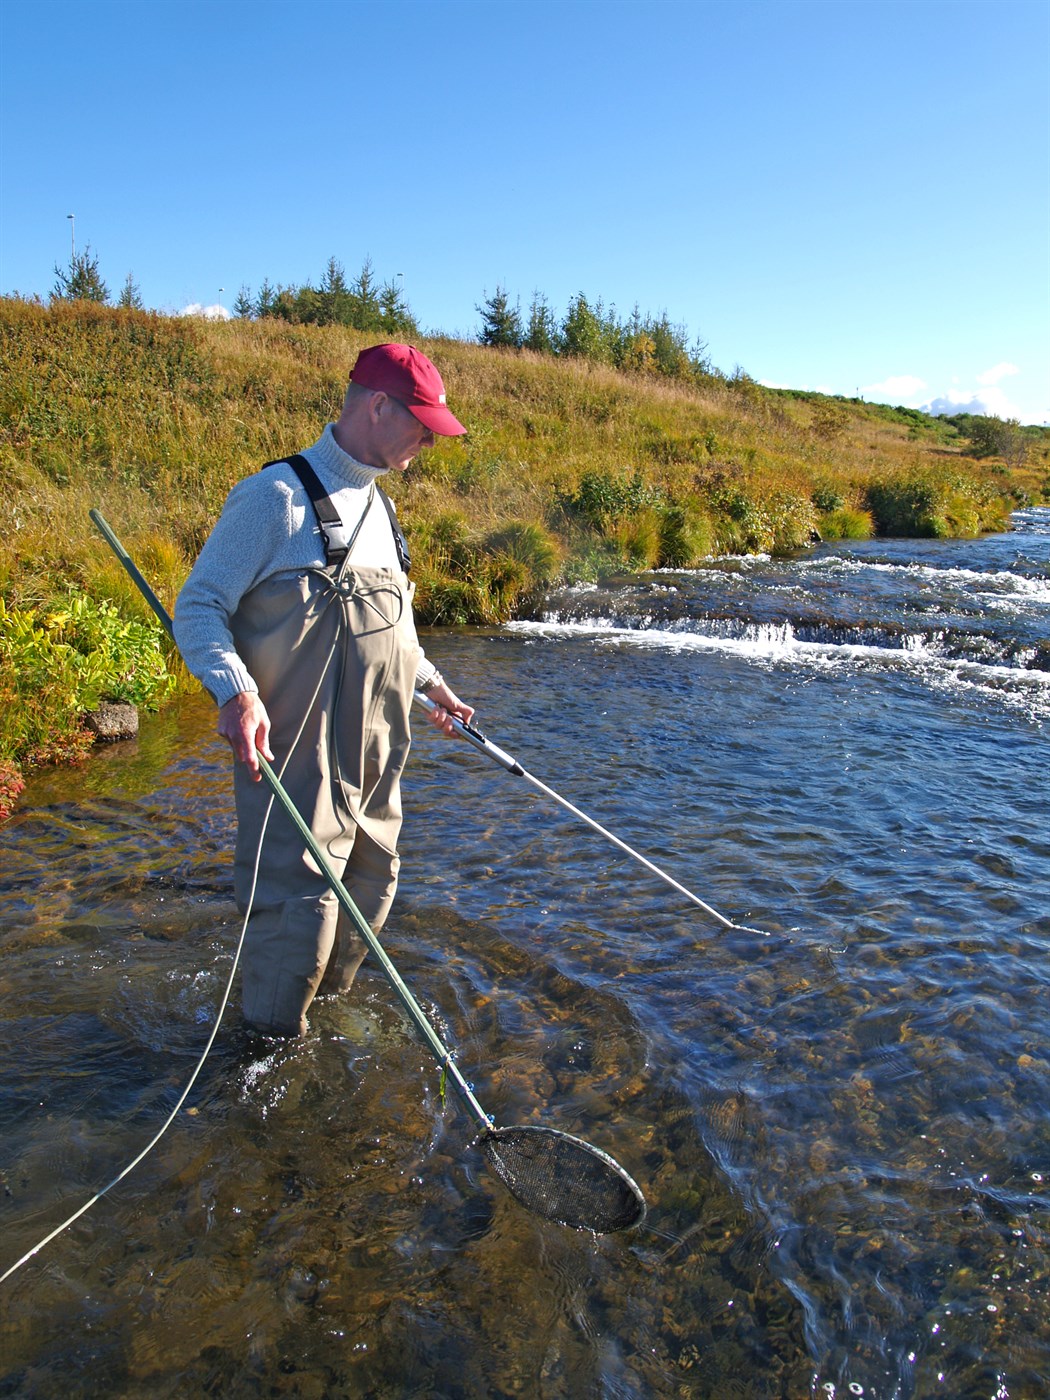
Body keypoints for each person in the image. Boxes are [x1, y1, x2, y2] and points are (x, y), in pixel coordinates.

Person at [173, 343, 475, 1037]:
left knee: (372, 891)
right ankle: (262, 1060)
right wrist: (234, 691)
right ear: (376, 405)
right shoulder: (272, 499)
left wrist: (432, 686)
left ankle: (323, 1023)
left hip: (376, 761)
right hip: (299, 766)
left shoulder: (380, 507)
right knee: (300, 915)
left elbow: (388, 631)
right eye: (422, 423)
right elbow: (198, 608)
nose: (431, 439)